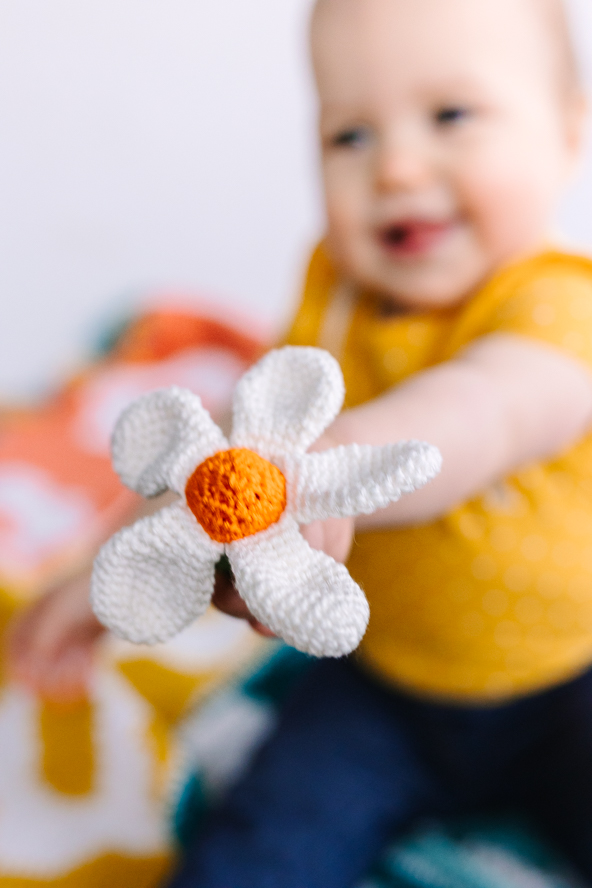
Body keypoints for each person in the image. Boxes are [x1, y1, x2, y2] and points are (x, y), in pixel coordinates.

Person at [9, 0, 592, 884]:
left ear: (566, 129)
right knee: (251, 853)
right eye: (348, 135)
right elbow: (229, 458)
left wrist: (321, 473)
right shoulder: (339, 289)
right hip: (379, 686)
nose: (395, 166)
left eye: (450, 116)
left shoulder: (556, 306)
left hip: (568, 679)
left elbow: (481, 414)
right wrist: (105, 569)